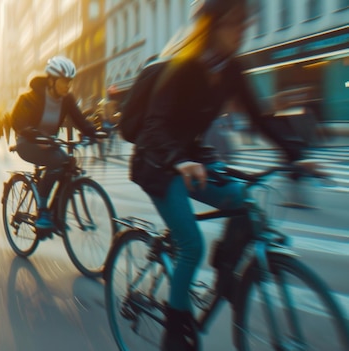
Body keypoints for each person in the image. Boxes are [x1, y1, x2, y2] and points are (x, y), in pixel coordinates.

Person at [128, 1, 317, 350]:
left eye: (247, 21)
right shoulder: (182, 67)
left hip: (193, 160)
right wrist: (177, 160)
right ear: (212, 27)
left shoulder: (231, 69)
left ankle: (226, 275)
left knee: (246, 202)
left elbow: (260, 118)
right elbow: (154, 125)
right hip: (157, 162)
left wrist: (296, 155)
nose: (244, 29)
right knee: (191, 246)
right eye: (236, 23)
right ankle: (174, 329)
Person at [10, 55, 102, 232]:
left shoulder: (67, 99)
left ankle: (56, 214)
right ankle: (43, 211)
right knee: (56, 162)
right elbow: (17, 121)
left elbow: (80, 120)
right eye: (64, 81)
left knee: (68, 164)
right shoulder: (30, 97)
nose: (68, 86)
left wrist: (95, 132)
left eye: (70, 82)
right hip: (27, 143)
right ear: (51, 80)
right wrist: (32, 133)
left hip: (49, 142)